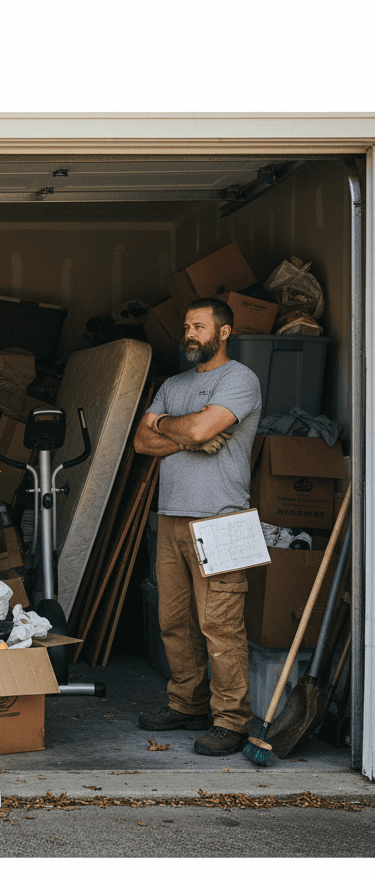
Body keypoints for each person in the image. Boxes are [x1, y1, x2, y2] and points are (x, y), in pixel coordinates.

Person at [133, 297, 263, 755]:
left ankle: (231, 720)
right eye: (187, 327)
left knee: (221, 626)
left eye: (200, 326)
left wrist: (174, 430)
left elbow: (198, 432)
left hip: (223, 517)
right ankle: (187, 702)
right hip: (171, 517)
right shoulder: (173, 383)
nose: (190, 334)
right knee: (174, 622)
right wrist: (181, 431)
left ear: (223, 332)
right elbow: (142, 441)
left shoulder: (240, 379)